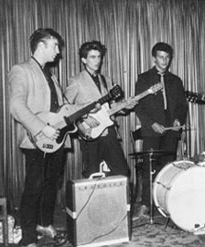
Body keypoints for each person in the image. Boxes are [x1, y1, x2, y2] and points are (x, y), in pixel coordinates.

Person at [9, 28, 67, 247]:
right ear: (41, 45)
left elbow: (61, 110)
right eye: (54, 46)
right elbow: (16, 106)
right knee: (34, 187)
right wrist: (41, 127)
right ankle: (28, 238)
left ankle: (44, 224)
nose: (58, 51)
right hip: (35, 141)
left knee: (52, 185)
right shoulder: (21, 70)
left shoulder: (51, 75)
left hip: (57, 141)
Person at [134, 42, 188, 217]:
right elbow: (139, 107)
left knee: (167, 168)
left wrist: (178, 119)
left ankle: (165, 203)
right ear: (154, 58)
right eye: (161, 57)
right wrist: (151, 124)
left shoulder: (176, 81)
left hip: (171, 131)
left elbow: (182, 106)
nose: (164, 61)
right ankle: (145, 204)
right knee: (149, 167)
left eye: (167, 57)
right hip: (152, 130)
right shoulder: (143, 79)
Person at [65, 40, 132, 178]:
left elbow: (111, 106)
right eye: (92, 57)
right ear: (84, 59)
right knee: (92, 174)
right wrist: (83, 118)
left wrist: (124, 106)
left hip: (109, 132)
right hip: (90, 134)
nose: (97, 61)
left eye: (99, 57)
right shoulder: (76, 81)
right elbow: (66, 108)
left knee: (122, 171)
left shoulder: (106, 80)